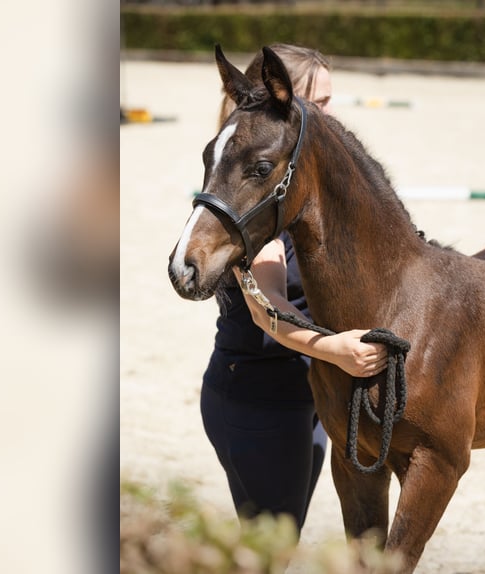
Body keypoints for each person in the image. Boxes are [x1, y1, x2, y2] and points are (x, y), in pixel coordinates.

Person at [199, 44, 388, 532]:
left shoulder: (304, 192)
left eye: (330, 101)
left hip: (305, 392)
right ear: (285, 102)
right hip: (261, 396)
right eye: (318, 103)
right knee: (268, 552)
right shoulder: (259, 204)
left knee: (274, 547)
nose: (329, 114)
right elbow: (269, 306)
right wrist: (337, 348)